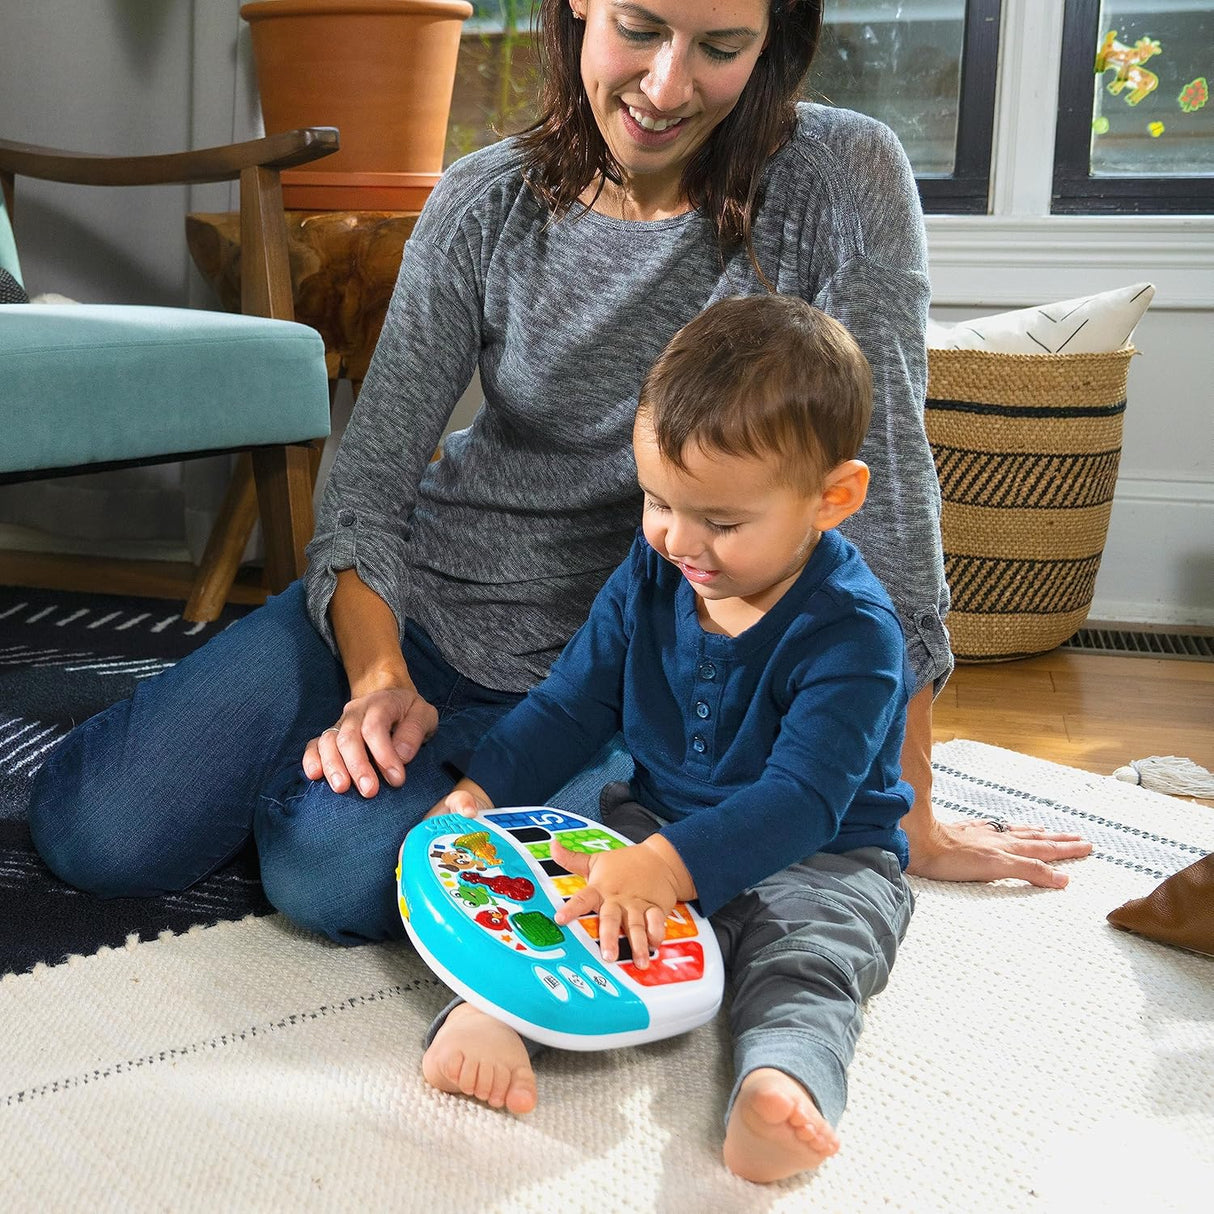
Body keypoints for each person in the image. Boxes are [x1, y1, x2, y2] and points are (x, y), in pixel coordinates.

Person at [28, 1, 1087, 956]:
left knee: (329, 873)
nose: (667, 86)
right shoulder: (484, 197)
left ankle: (313, 795)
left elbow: (886, 497)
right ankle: (313, 764)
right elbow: (366, 486)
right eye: (637, 27)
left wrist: (907, 807)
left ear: (774, 44)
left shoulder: (839, 179)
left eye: (720, 47)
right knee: (94, 832)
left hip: (604, 684)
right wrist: (378, 680)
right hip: (416, 613)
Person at [421, 294, 914, 1184]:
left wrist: (672, 870)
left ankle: (779, 1083)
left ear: (832, 498)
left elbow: (804, 801)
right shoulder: (654, 569)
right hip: (648, 828)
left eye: (722, 522)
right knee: (561, 905)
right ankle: (494, 1014)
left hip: (823, 857)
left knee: (809, 961)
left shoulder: (855, 634)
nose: (679, 540)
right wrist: (481, 790)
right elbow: (573, 704)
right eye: (657, 501)